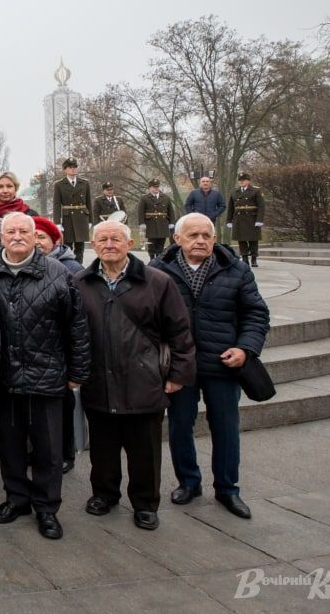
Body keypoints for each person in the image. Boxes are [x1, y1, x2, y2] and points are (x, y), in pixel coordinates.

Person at [0, 213, 91, 540]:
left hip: (48, 376)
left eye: (24, 231)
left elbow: (77, 327)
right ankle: (16, 499)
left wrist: (77, 372)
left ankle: (47, 507)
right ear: (1, 237)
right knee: (9, 446)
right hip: (2, 378)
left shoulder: (58, 273)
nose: (17, 236)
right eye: (10, 231)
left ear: (35, 236)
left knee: (48, 450)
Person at [74, 219, 195, 531]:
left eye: (116, 239)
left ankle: (145, 503)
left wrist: (178, 374)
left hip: (144, 381)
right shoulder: (80, 282)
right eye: (102, 240)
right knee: (102, 447)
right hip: (99, 380)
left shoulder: (158, 281)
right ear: (93, 245)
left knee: (145, 450)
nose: (109, 245)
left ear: (130, 244)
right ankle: (104, 494)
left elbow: (179, 331)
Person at [153, 213, 269, 519]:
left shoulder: (236, 269)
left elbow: (256, 313)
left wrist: (245, 348)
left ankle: (228, 489)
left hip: (223, 364)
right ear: (177, 239)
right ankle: (188, 482)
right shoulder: (158, 270)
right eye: (193, 235)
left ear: (215, 239)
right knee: (179, 426)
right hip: (181, 366)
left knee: (226, 428)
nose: (200, 241)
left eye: (206, 235)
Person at [31, 215, 83, 473]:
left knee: (63, 407)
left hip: (59, 349)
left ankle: (66, 453)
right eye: (33, 237)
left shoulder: (71, 268)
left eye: (42, 237)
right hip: (34, 349)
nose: (37, 242)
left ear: (55, 241)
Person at [51, 158, 92, 264]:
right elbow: (56, 204)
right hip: (68, 218)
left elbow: (88, 202)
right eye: (70, 167)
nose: (73, 169)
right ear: (65, 169)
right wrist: (57, 222)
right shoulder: (59, 184)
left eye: (75, 167)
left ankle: (79, 267)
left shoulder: (84, 183)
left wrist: (90, 220)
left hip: (82, 218)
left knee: (80, 247)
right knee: (68, 246)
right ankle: (68, 267)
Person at [0, 171, 39, 246]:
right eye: (0, 187)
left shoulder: (29, 215)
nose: (5, 191)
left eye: (9, 186)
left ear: (15, 189)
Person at [227, 173, 265, 266]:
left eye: (243, 180)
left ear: (248, 181)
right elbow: (231, 208)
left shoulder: (255, 191)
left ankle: (254, 258)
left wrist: (259, 220)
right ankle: (244, 258)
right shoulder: (234, 191)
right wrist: (229, 220)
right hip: (238, 218)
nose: (241, 182)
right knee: (241, 240)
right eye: (240, 180)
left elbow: (261, 206)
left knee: (253, 239)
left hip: (252, 218)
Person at [137, 179, 174, 261]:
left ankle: (159, 261)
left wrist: (171, 222)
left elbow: (171, 211)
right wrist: (142, 223)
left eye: (157, 187)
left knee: (161, 245)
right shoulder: (145, 198)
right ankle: (152, 260)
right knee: (152, 245)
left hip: (162, 224)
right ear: (149, 188)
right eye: (154, 187)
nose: (156, 189)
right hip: (150, 224)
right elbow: (141, 211)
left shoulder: (165, 198)